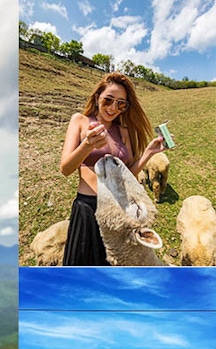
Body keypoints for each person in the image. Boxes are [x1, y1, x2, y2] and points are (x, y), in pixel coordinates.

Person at [59, 71, 166, 265]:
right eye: (108, 100)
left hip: (118, 209)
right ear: (98, 96)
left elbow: (129, 175)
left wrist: (148, 153)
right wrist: (87, 145)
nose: (113, 108)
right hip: (88, 208)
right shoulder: (80, 121)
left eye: (121, 104)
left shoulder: (123, 131)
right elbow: (65, 168)